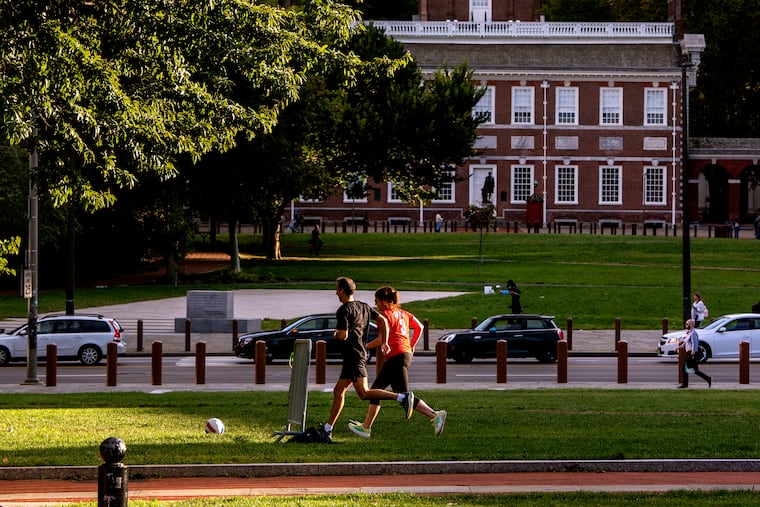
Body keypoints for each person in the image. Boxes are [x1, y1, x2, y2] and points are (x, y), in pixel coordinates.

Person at [320, 277, 415, 441]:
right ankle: (327, 429)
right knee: (338, 391)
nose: (336, 292)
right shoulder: (363, 306)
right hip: (356, 355)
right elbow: (383, 320)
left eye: (337, 289)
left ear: (342, 290)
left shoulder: (343, 310)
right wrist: (384, 341)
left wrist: (335, 334)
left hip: (354, 356)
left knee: (364, 393)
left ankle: (402, 397)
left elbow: (343, 335)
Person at [348, 286, 447, 438]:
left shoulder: (385, 315)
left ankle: (366, 428)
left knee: (380, 391)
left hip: (397, 356)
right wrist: (412, 345)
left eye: (377, 301)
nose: (376, 304)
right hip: (404, 354)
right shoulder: (402, 313)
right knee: (396, 394)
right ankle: (434, 415)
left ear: (384, 301)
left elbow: (382, 339)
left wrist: (363, 347)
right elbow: (419, 327)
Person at [677, 319, 712, 388]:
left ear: (691, 325)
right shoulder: (689, 333)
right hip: (690, 352)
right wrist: (678, 348)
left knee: (684, 368)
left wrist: (693, 351)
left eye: (687, 324)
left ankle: (685, 384)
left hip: (691, 353)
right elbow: (685, 342)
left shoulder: (693, 333)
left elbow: (694, 343)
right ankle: (708, 379)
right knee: (695, 370)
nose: (686, 325)